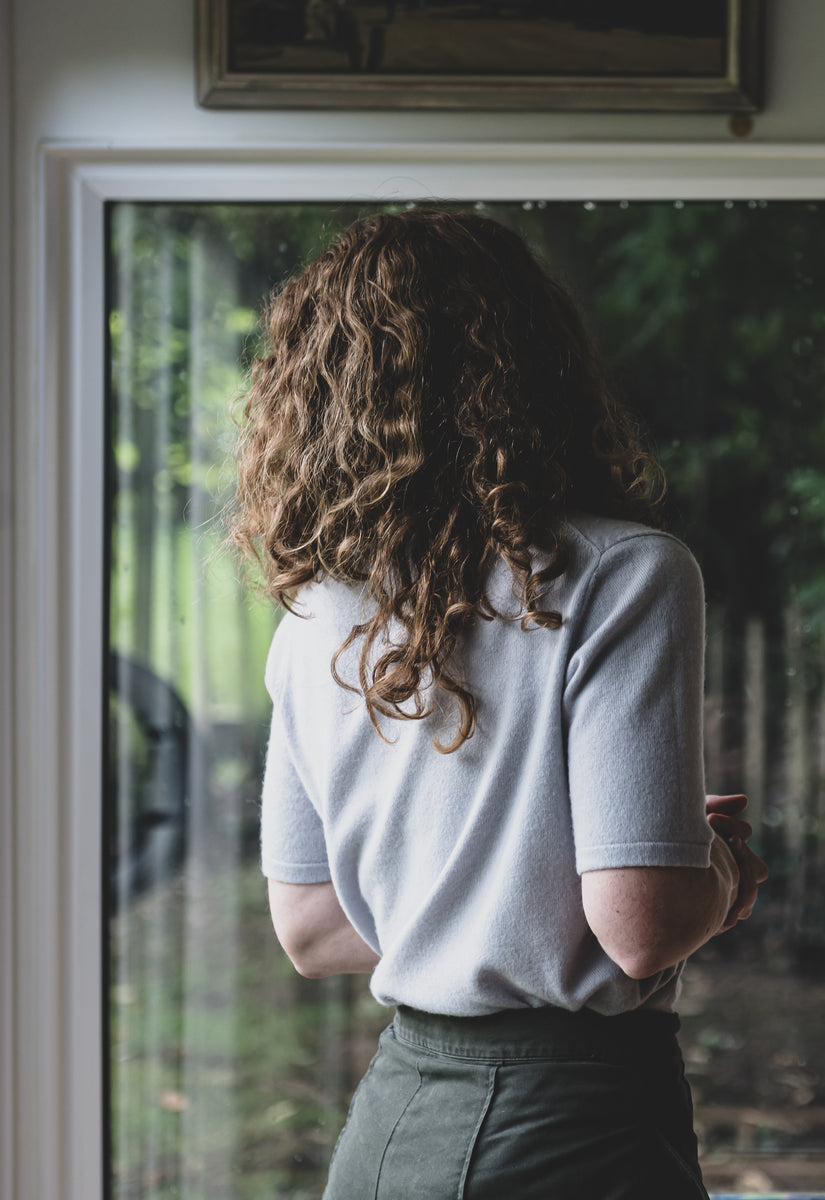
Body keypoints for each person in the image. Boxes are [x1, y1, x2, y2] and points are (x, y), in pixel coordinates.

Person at [231, 207, 768, 1199]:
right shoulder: (623, 574)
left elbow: (312, 927)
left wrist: (507, 893)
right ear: (537, 365)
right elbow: (641, 925)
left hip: (391, 1133)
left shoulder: (315, 613)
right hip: (565, 1136)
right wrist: (720, 870)